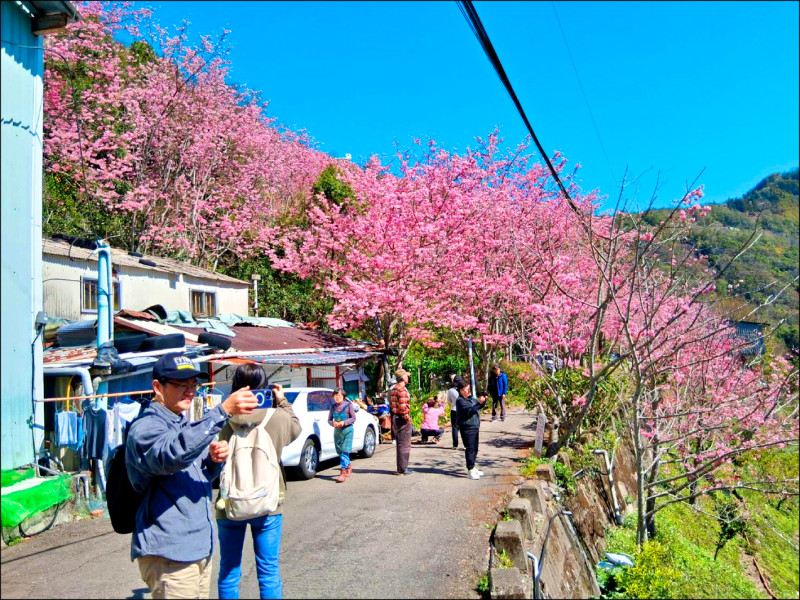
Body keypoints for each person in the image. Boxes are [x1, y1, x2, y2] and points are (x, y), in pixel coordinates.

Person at [126, 353, 258, 599]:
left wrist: (212, 462)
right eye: (181, 385)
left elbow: (194, 476)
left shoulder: (182, 424)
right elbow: (171, 456)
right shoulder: (146, 426)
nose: (189, 391)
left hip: (196, 549)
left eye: (193, 385)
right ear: (158, 387)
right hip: (170, 554)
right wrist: (222, 411)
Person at [215, 364, 302, 599]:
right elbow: (296, 429)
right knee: (268, 571)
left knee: (229, 570)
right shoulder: (277, 417)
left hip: (230, 502)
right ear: (265, 388)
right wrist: (282, 401)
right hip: (270, 504)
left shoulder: (222, 418)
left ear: (235, 387)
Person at [455, 380, 488, 479]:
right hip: (466, 427)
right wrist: (479, 403)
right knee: (470, 448)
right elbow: (469, 411)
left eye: (469, 388)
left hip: (474, 426)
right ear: (461, 390)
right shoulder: (460, 400)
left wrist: (483, 401)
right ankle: (470, 470)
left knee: (475, 448)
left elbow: (478, 406)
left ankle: (473, 467)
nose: (469, 390)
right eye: (467, 389)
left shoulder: (470, 398)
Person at [328, 387, 356, 483]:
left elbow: (353, 418)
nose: (337, 397)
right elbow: (329, 420)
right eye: (335, 396)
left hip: (348, 431)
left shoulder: (349, 405)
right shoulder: (332, 407)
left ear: (343, 397)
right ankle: (348, 465)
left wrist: (344, 423)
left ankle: (343, 472)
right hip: (337, 432)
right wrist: (333, 423)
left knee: (344, 451)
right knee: (339, 451)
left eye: (339, 395)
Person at [389, 368, 414, 475]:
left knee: (400, 443)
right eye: (406, 376)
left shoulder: (394, 389)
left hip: (395, 417)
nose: (408, 377)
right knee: (405, 444)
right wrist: (407, 418)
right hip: (402, 418)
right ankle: (403, 468)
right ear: (403, 378)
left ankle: (400, 467)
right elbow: (403, 407)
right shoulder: (402, 390)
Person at [447, 375, 463, 449]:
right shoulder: (464, 390)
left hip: (454, 410)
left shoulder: (450, 390)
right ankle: (466, 444)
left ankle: (455, 445)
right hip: (463, 410)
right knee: (463, 427)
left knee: (455, 427)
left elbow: (449, 401)